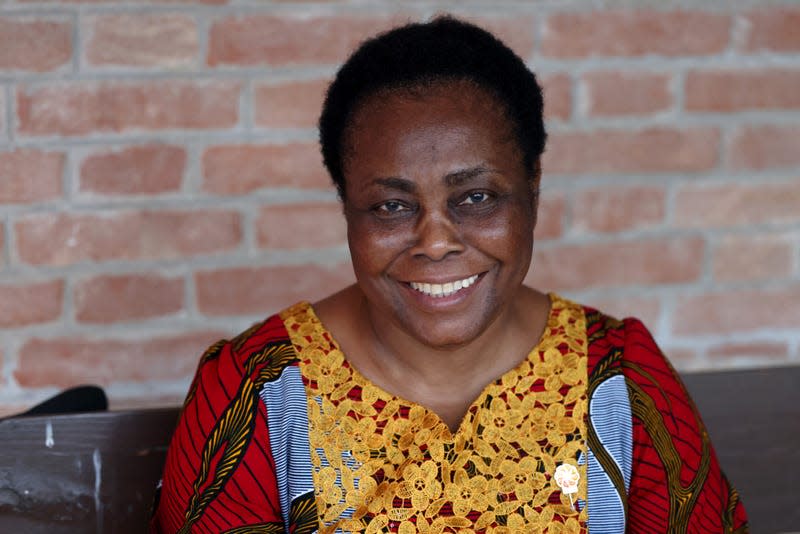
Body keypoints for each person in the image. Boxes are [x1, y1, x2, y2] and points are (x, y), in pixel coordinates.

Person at [151, 17, 748, 533]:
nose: (435, 242)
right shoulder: (258, 394)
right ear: (347, 210)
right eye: (391, 206)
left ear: (532, 191)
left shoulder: (621, 385)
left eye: (477, 197)